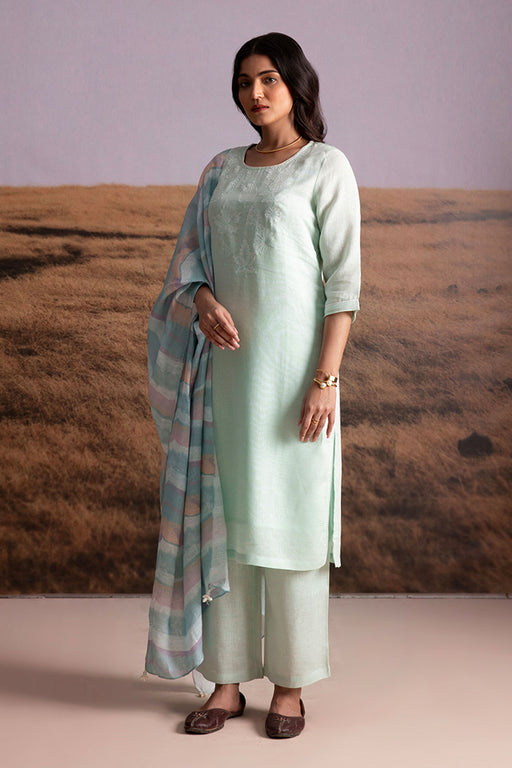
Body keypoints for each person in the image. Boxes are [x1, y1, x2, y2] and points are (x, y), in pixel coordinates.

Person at [144, 32, 361, 739]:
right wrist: (204, 301)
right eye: (244, 82)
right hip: (227, 382)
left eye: (268, 78)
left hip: (298, 382)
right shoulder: (220, 170)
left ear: (295, 84)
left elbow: (343, 287)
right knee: (227, 526)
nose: (255, 92)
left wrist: (325, 380)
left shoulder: (325, 166)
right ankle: (227, 682)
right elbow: (189, 262)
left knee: (293, 527)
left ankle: (290, 687)